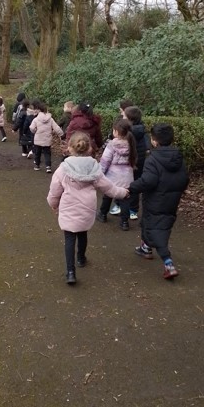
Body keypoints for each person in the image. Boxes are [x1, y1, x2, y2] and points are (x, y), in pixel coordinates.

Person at [47, 131, 128, 285]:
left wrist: (53, 204)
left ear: (70, 148)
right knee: (82, 233)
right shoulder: (94, 168)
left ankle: (70, 272)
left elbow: (54, 191)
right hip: (86, 207)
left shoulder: (63, 169)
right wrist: (123, 193)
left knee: (69, 238)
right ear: (89, 148)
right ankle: (81, 258)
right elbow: (109, 188)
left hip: (69, 207)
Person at [129, 123, 189, 279]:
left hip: (155, 199)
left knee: (156, 230)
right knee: (151, 223)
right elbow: (184, 178)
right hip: (172, 199)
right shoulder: (178, 158)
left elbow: (148, 181)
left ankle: (168, 263)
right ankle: (145, 247)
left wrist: (131, 188)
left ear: (154, 141)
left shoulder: (153, 159)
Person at [96, 118, 137, 231]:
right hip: (127, 176)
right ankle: (124, 222)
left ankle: (102, 214)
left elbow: (105, 161)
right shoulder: (131, 143)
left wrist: (100, 174)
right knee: (125, 198)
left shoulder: (112, 144)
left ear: (116, 132)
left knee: (108, 195)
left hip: (112, 176)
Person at [123, 106, 150, 220]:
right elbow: (147, 146)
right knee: (136, 183)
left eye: (124, 116)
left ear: (130, 118)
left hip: (128, 161)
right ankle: (133, 210)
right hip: (140, 161)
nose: (122, 117)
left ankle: (122, 206)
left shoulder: (127, 132)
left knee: (126, 183)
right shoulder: (143, 130)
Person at [29, 100, 63, 173]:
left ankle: (37, 165)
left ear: (39, 110)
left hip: (38, 139)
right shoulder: (50, 119)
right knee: (47, 153)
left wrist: (34, 131)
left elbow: (31, 128)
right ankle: (48, 167)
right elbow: (56, 127)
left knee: (37, 153)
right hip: (47, 139)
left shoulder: (36, 119)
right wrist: (61, 134)